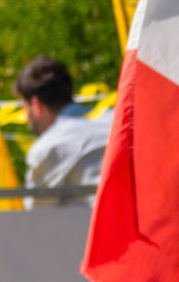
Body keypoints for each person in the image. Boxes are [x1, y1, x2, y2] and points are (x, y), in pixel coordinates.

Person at [15, 55, 112, 194]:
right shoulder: (117, 118)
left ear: (36, 105)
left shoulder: (47, 148)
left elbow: (37, 213)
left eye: (24, 107)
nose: (26, 119)